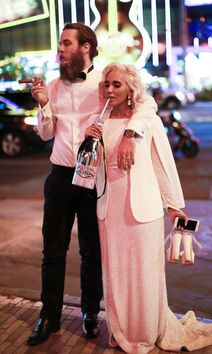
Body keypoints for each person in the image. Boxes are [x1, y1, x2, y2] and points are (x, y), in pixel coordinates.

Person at [26, 23, 157, 346]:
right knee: (52, 252)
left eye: (66, 43)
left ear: (86, 47)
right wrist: (42, 103)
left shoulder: (105, 83)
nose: (61, 49)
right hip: (59, 176)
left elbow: (148, 105)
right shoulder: (53, 86)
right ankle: (49, 316)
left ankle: (89, 313)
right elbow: (45, 134)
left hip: (93, 177)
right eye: (60, 43)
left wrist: (129, 134)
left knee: (91, 251)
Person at [85, 62, 212, 354]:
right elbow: (92, 171)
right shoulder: (100, 122)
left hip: (144, 210)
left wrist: (174, 205)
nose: (110, 89)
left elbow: (163, 164)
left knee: (145, 274)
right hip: (110, 210)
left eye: (117, 84)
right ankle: (122, 332)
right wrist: (90, 143)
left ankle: (144, 334)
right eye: (106, 84)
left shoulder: (146, 121)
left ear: (130, 88)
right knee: (117, 273)